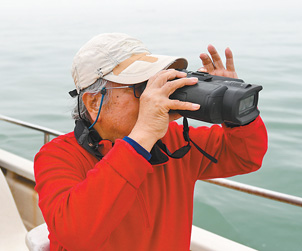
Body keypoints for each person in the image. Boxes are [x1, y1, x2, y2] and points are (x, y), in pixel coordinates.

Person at [34, 33, 268, 251]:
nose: (155, 95)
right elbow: (76, 234)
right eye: (140, 87)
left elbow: (244, 157)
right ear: (95, 103)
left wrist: (233, 112)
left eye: (156, 82)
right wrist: (142, 137)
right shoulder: (57, 156)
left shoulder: (173, 140)